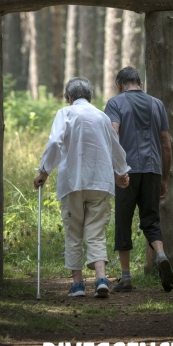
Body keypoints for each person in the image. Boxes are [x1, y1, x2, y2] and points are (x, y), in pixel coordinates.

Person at [34, 77, 130, 299]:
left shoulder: (65, 113)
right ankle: (101, 279)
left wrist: (44, 171)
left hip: (73, 182)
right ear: (90, 97)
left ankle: (77, 284)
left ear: (69, 98)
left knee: (74, 232)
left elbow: (55, 142)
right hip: (100, 181)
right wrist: (121, 171)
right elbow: (115, 145)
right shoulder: (102, 116)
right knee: (96, 232)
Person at [104, 66, 173, 293]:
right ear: (140, 83)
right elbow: (166, 144)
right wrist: (164, 178)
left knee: (123, 220)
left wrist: (117, 169)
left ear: (119, 85)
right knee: (151, 220)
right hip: (153, 170)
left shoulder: (115, 103)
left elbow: (114, 135)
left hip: (127, 171)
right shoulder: (157, 104)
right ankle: (161, 254)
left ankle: (125, 278)